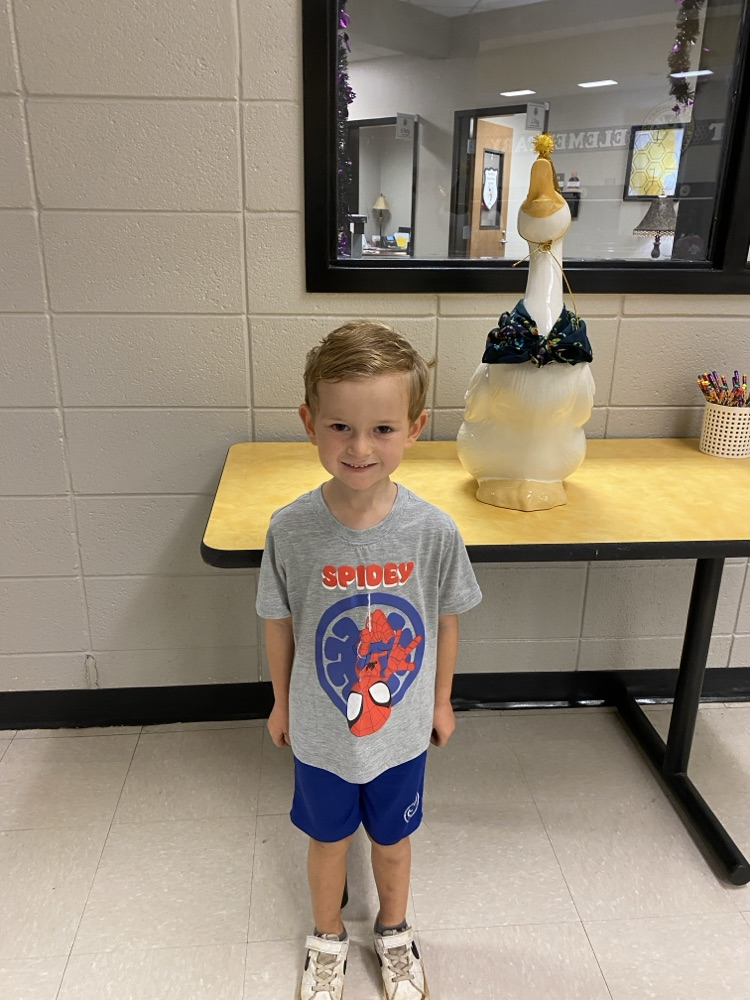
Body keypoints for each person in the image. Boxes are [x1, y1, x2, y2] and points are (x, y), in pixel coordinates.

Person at [256, 320, 482, 1000]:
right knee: (327, 841)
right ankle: (326, 937)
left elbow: (443, 621)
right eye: (340, 427)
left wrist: (440, 701)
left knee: (392, 840)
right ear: (309, 422)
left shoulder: (434, 531)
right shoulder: (290, 529)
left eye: (382, 429)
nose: (359, 447)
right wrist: (281, 701)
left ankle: (393, 929)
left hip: (403, 727)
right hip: (323, 731)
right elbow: (279, 621)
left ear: (415, 428)